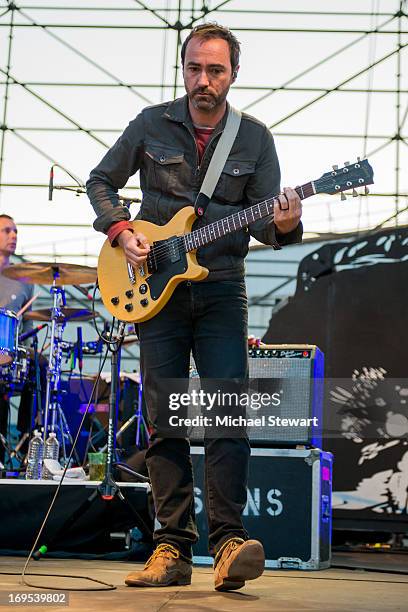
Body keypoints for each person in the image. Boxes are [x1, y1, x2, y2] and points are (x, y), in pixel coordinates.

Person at [87, 23, 302, 591]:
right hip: (154, 290)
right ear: (183, 69)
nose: (204, 81)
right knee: (164, 420)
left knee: (228, 413)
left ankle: (229, 543)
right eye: (194, 69)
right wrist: (120, 230)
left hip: (221, 288)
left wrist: (285, 223)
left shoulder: (254, 139)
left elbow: (268, 227)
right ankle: (171, 549)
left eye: (216, 70)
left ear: (234, 74)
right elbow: (101, 181)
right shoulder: (152, 124)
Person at [0, 214, 34, 465]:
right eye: (6, 231)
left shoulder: (24, 279)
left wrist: (29, 349)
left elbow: (29, 322)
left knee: (42, 368)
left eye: (15, 231)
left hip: (10, 353)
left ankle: (27, 440)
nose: (13, 236)